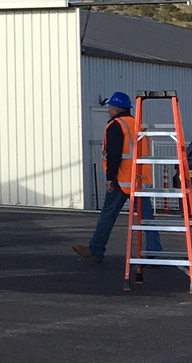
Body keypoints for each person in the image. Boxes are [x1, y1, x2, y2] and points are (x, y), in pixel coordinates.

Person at [73, 91, 162, 263]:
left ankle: (96, 249)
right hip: (139, 179)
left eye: (110, 106)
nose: (109, 110)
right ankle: (154, 253)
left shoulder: (116, 125)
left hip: (121, 179)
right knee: (147, 218)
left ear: (116, 108)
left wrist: (110, 178)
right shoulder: (138, 124)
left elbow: (114, 155)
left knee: (108, 215)